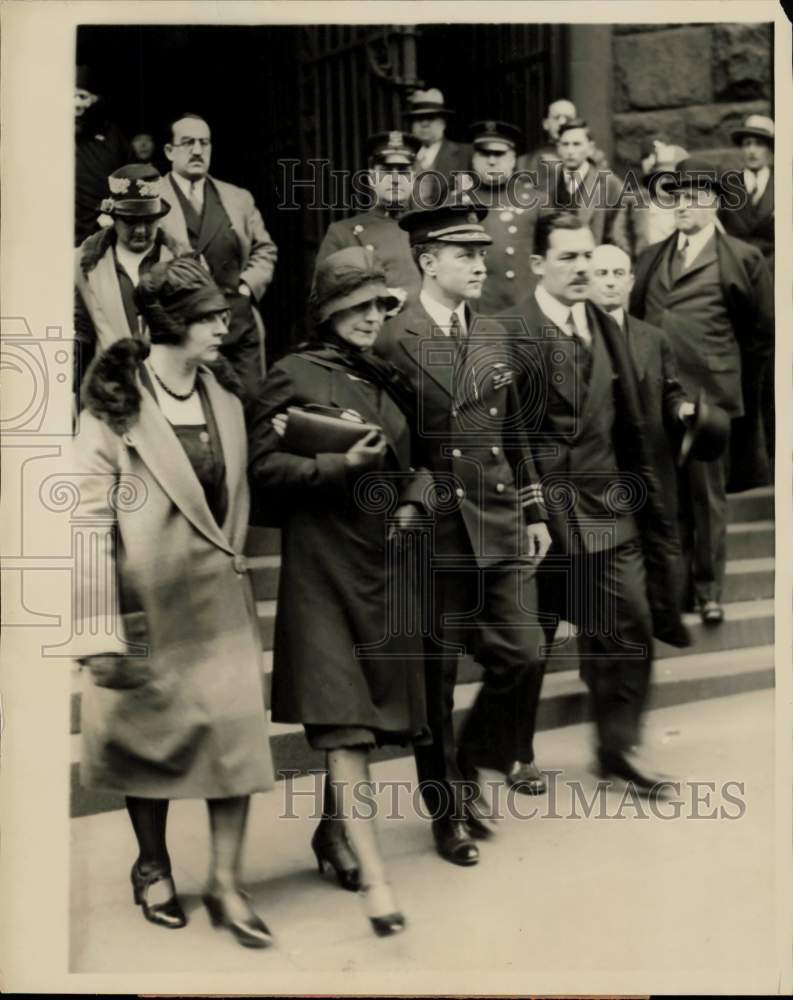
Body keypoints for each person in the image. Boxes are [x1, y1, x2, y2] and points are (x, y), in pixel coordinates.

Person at [72, 257, 274, 948]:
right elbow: (85, 521)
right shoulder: (116, 405)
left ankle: (225, 882)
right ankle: (152, 864)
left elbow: (234, 497)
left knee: (234, 741)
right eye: (211, 317)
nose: (224, 326)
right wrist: (98, 627)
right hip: (146, 606)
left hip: (217, 602)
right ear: (174, 324)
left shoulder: (223, 397)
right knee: (147, 744)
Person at [248, 247, 430, 937]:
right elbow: (261, 471)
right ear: (327, 311)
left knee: (371, 720)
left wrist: (414, 500)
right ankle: (377, 885)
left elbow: (420, 462)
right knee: (343, 724)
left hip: (385, 566)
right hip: (322, 569)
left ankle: (333, 834)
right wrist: (333, 465)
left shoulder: (385, 375)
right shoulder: (291, 375)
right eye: (354, 307)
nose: (368, 318)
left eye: (378, 306)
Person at [376, 195, 552, 868]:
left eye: (481, 253)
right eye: (463, 255)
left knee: (524, 654)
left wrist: (534, 510)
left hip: (501, 515)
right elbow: (395, 444)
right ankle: (446, 814)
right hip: (438, 529)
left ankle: (474, 762)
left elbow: (515, 430)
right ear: (427, 261)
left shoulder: (493, 331)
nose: (479, 265)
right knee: (436, 679)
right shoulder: (393, 338)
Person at [513, 211, 690, 792]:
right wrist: (530, 506)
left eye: (588, 256)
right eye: (568, 257)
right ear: (538, 264)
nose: (583, 268)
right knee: (530, 639)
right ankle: (517, 751)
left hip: (611, 505)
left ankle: (618, 748)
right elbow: (505, 432)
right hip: (542, 511)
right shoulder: (510, 330)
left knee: (633, 623)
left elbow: (628, 424)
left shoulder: (606, 325)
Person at [630, 159, 774, 624]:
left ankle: (709, 590)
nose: (683, 205)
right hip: (658, 397)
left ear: (713, 202)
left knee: (708, 499)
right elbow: (635, 320)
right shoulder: (651, 256)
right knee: (665, 496)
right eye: (677, 196)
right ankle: (674, 592)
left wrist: (731, 384)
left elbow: (761, 332)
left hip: (711, 398)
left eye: (694, 196)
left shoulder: (741, 257)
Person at [155, 113, 278, 398]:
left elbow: (265, 248)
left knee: (247, 400)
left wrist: (247, 286)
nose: (197, 151)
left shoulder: (238, 198)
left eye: (204, 143)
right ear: (169, 151)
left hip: (237, 323)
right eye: (187, 143)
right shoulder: (150, 198)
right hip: (180, 327)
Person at [588, 243, 695, 521]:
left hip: (649, 463)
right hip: (597, 469)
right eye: (601, 273)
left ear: (631, 282)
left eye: (618, 273)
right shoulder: (576, 337)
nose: (611, 282)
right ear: (586, 278)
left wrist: (681, 409)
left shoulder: (654, 337)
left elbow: (669, 391)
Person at [74, 164, 187, 401]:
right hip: (112, 394)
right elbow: (79, 335)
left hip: (170, 389)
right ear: (113, 218)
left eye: (149, 221)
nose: (140, 230)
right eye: (130, 221)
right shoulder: (86, 265)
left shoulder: (183, 262)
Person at [315, 131, 422, 300]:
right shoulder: (342, 234)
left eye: (403, 171)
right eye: (386, 171)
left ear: (413, 179)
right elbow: (323, 301)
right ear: (372, 178)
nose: (395, 179)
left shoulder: (428, 230)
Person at [467, 120, 540, 315]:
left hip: (526, 306)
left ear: (513, 158)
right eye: (484, 154)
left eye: (499, 154)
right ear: (474, 158)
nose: (492, 161)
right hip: (478, 309)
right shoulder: (456, 202)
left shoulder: (536, 200)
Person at [551, 119, 629, 253]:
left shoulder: (610, 185)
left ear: (590, 148)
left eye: (577, 144)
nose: (570, 151)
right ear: (558, 148)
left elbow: (617, 238)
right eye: (565, 144)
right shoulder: (547, 184)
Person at [75, 65, 130, 246]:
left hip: (106, 234)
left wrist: (110, 212)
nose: (75, 104)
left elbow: (129, 179)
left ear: (96, 99)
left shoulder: (112, 136)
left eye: (81, 96)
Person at [718, 114, 774, 266]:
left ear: (770, 149)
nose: (752, 151)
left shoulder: (783, 183)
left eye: (759, 144)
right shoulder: (726, 185)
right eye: (747, 144)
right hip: (735, 266)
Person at [405, 88, 472, 198]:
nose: (424, 124)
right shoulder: (405, 158)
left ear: (443, 123)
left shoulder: (466, 154)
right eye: (419, 118)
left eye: (431, 117)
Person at [518, 98, 608, 176]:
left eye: (568, 118)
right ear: (546, 124)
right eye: (556, 118)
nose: (562, 122)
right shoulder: (526, 161)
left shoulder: (595, 157)